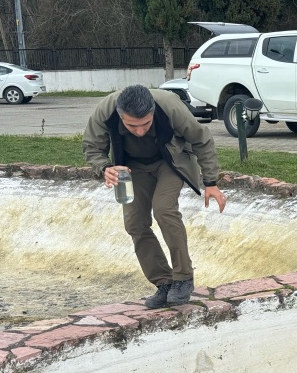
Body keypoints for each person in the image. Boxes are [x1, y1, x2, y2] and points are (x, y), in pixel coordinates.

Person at [82, 84, 226, 309]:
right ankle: (164, 283)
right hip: (132, 168)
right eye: (132, 126)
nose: (139, 131)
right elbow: (92, 147)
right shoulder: (106, 110)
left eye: (145, 124)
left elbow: (202, 139)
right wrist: (103, 167)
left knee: (164, 210)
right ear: (121, 116)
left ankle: (183, 278)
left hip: (170, 162)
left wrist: (211, 182)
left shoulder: (169, 106)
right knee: (134, 223)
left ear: (152, 112)